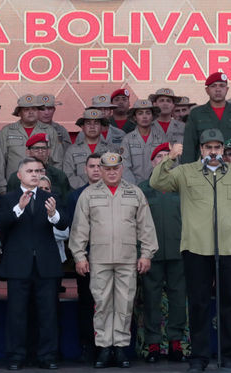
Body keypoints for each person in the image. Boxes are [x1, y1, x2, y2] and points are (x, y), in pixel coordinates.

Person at [150, 129, 231, 373]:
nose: (213, 151)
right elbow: (157, 182)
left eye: (217, 147)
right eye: (208, 147)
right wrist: (169, 159)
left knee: (229, 304)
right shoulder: (186, 172)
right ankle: (198, 357)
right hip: (196, 247)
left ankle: (228, 356)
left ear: (223, 150)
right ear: (200, 150)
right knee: (198, 305)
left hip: (230, 247)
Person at [70, 152, 157, 368]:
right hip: (99, 259)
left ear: (121, 168)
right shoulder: (89, 194)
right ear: (100, 169)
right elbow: (79, 228)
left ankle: (119, 348)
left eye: (115, 168)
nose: (111, 172)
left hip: (127, 259)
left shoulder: (134, 192)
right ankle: (103, 348)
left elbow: (145, 227)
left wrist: (146, 254)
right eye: (106, 169)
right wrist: (79, 256)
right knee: (101, 304)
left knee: (124, 304)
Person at [0, 157, 69, 370]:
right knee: (16, 313)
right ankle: (16, 356)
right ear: (19, 175)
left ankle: (47, 356)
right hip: (19, 264)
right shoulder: (8, 199)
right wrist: (18, 208)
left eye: (38, 171)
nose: (35, 174)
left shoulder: (51, 197)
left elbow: (64, 222)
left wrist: (53, 214)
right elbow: (1, 223)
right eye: (30, 171)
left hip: (46, 264)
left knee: (48, 313)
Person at [138, 143, 187, 364]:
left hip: (179, 253)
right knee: (151, 300)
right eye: (160, 156)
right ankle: (154, 344)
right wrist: (141, 253)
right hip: (152, 255)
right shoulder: (142, 189)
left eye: (169, 156)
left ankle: (176, 343)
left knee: (178, 300)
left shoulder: (183, 187)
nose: (164, 160)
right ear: (152, 161)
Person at [66, 153, 104, 364]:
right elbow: (74, 229)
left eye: (100, 166)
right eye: (92, 166)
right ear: (85, 169)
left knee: (111, 305)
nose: (96, 169)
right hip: (87, 259)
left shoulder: (114, 193)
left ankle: (109, 348)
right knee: (87, 305)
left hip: (111, 259)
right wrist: (81, 256)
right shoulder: (75, 196)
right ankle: (88, 346)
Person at [0, 94, 63, 194]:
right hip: (15, 185)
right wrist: (2, 186)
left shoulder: (49, 131)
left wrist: (52, 184)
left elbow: (57, 161)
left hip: (41, 186)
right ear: (19, 112)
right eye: (26, 109)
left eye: (34, 109)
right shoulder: (7, 131)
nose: (31, 112)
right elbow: (1, 162)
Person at [181, 72, 231, 163]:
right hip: (204, 168)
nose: (218, 89)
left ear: (227, 89)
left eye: (222, 86)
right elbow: (189, 147)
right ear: (207, 90)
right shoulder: (196, 113)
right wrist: (187, 172)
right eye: (213, 86)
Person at [6, 134, 70, 206]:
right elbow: (10, 205)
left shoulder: (59, 176)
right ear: (28, 152)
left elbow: (65, 204)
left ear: (48, 151)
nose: (40, 151)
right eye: (36, 148)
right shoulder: (17, 177)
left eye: (44, 148)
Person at [64, 109, 114, 189]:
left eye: (96, 123)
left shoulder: (111, 150)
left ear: (101, 127)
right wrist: (86, 187)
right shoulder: (72, 150)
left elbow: (115, 172)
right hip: (80, 192)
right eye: (88, 123)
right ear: (82, 127)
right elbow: (68, 175)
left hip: (106, 192)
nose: (92, 127)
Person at [120, 99, 165, 183]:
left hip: (158, 186)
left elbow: (168, 164)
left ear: (152, 116)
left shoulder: (161, 138)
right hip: (135, 186)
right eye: (140, 113)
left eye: (148, 113)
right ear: (135, 117)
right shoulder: (127, 139)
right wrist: (135, 187)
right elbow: (124, 167)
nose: (144, 116)